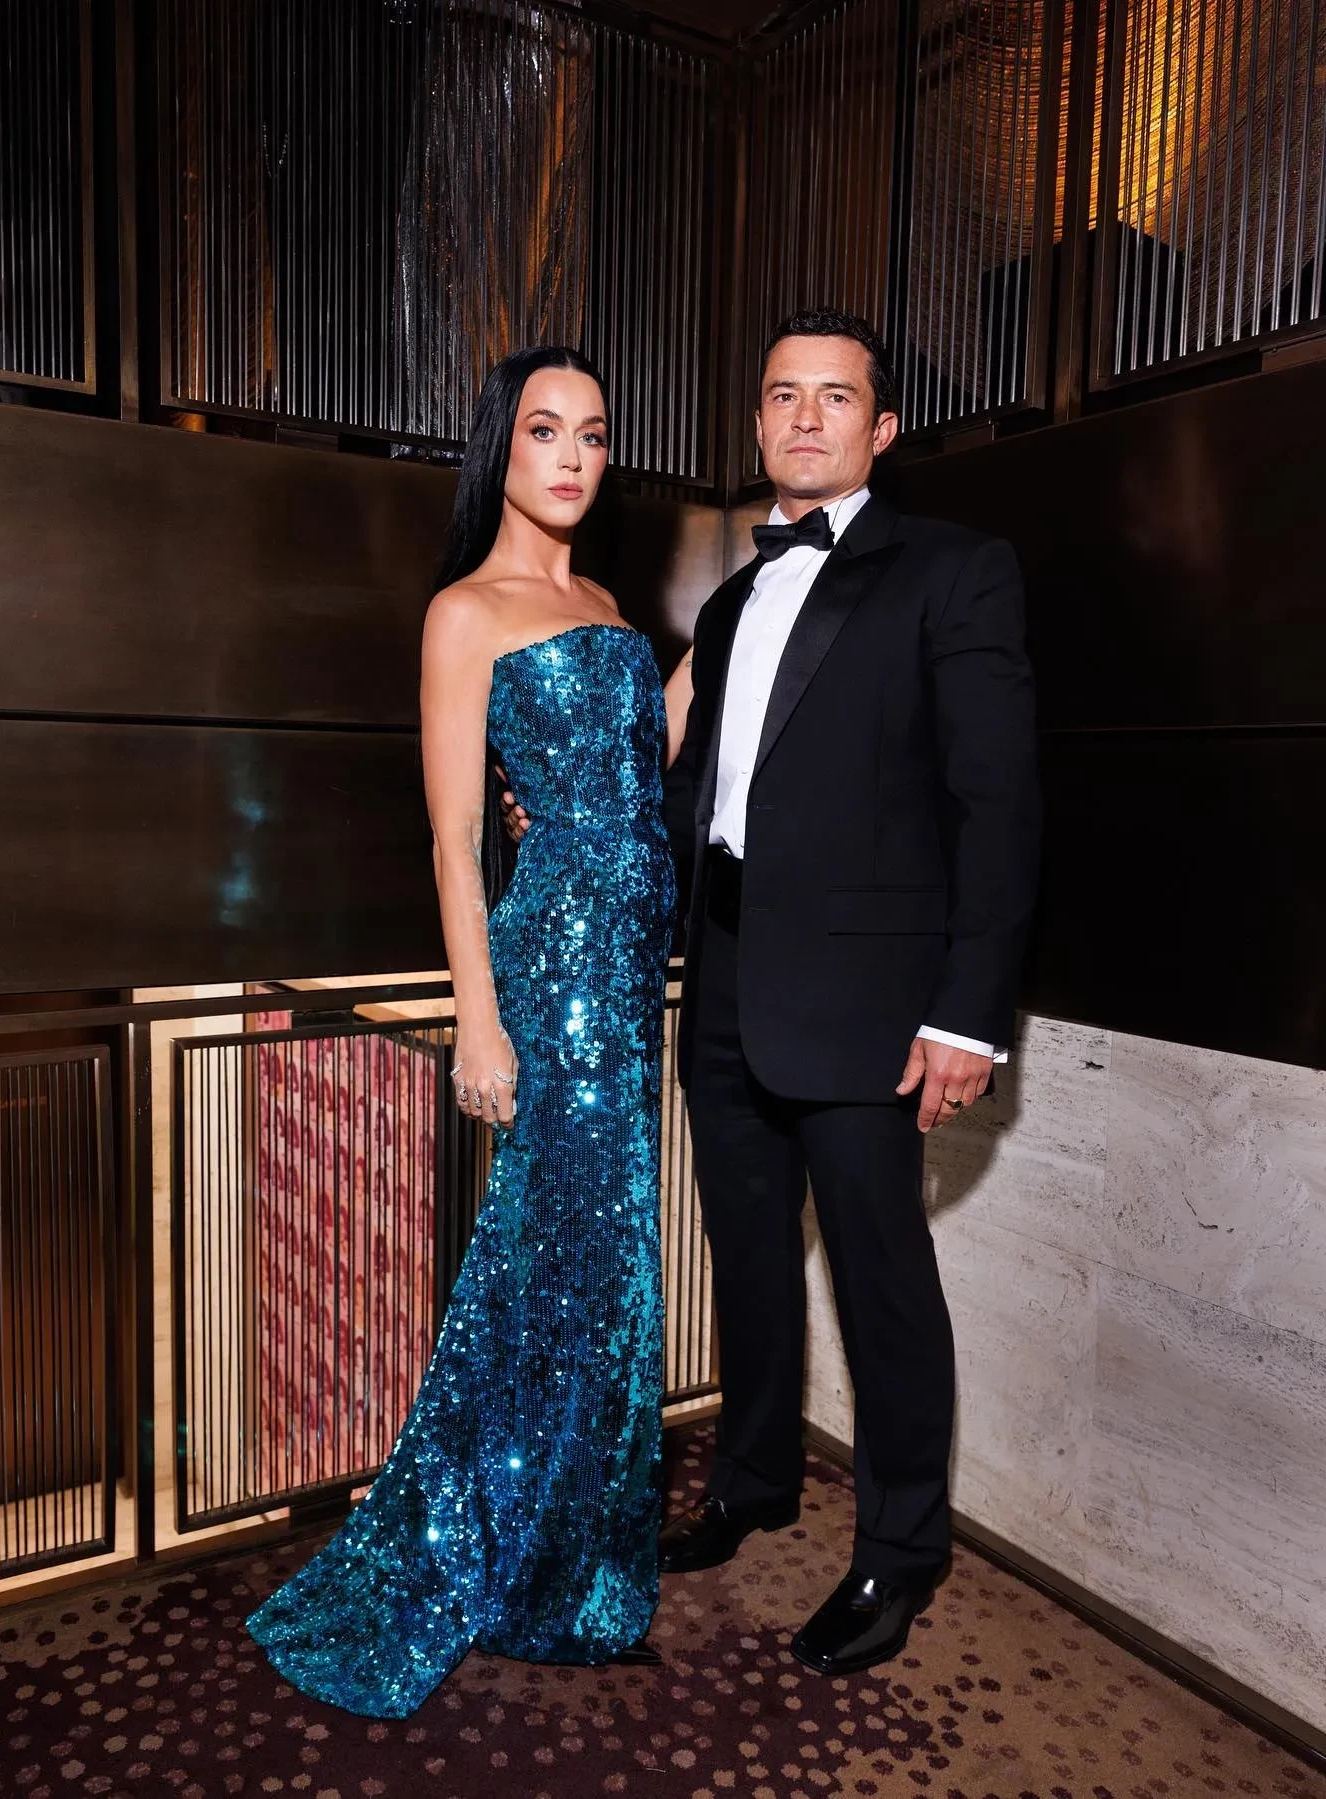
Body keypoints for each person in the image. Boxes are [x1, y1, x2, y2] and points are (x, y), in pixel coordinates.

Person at [503, 308, 1040, 1678]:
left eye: (834, 397)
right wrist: (563, 814)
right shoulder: (735, 601)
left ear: (883, 427)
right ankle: (752, 1480)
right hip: (729, 971)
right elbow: (692, 789)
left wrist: (968, 1014)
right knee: (746, 1255)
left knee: (882, 1279)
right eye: (783, 395)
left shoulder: (955, 571)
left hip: (872, 999)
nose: (805, 417)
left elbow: (1000, 803)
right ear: (756, 422)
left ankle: (900, 1552)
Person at [247, 347, 685, 1717]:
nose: (573, 456)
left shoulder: (606, 605)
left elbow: (634, 768)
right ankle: (502, 1554)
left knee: (605, 1277)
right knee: (548, 1271)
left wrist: (732, 640)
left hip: (628, 980)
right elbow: (452, 837)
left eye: (593, 434)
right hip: (548, 979)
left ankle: (573, 1557)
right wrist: (477, 1022)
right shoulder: (465, 613)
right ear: (502, 447)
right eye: (546, 430)